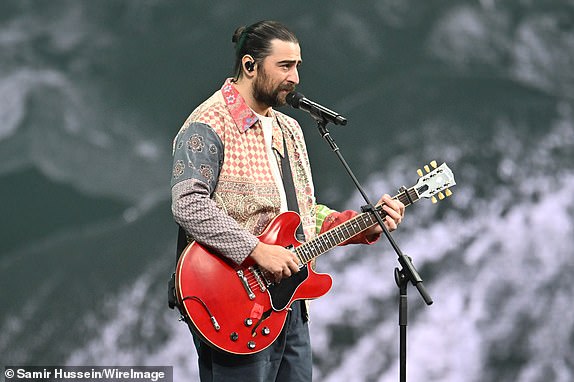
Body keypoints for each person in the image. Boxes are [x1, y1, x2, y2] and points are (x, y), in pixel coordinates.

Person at [170, 20, 405, 382]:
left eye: (297, 66)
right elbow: (188, 203)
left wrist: (363, 225)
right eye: (284, 66)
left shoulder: (289, 129)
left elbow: (303, 216)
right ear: (249, 66)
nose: (295, 77)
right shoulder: (208, 123)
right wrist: (257, 251)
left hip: (288, 302)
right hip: (230, 301)